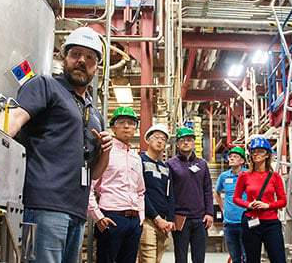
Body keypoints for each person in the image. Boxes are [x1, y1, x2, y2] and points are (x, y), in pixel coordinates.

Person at [4, 27, 113, 262]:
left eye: (90, 57)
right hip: (45, 203)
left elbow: (94, 173)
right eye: (75, 54)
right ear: (64, 58)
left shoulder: (94, 112)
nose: (82, 61)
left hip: (77, 209)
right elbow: (13, 121)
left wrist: (106, 151)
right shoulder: (45, 86)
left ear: (97, 67)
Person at [88, 106, 145, 263]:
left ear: (135, 128)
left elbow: (141, 191)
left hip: (134, 221)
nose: (127, 126)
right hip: (111, 217)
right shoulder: (105, 151)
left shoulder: (136, 158)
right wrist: (98, 217)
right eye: (122, 122)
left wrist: (141, 216)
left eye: (131, 123)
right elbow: (89, 186)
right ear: (113, 127)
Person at [233, 137, 287, 263]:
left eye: (259, 151)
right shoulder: (244, 176)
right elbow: (236, 198)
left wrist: (267, 206)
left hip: (271, 223)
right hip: (251, 223)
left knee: (278, 259)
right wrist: (249, 204)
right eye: (253, 151)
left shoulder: (275, 177)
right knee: (252, 260)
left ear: (267, 154)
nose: (255, 154)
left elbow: (283, 201)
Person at [167, 127, 214, 263]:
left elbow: (207, 189)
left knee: (199, 258)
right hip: (180, 218)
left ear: (194, 143)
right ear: (177, 144)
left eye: (189, 140)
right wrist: (170, 217)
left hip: (200, 219)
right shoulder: (170, 164)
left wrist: (209, 213)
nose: (186, 143)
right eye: (182, 140)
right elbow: (168, 192)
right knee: (181, 258)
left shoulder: (202, 164)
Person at [139, 123, 174, 263]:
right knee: (149, 260)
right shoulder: (139, 161)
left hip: (164, 223)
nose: (160, 141)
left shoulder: (165, 168)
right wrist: (156, 218)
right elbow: (140, 192)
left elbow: (170, 195)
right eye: (156, 137)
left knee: (156, 260)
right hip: (147, 220)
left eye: (164, 139)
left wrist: (169, 220)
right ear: (147, 139)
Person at [214, 146, 248, 263]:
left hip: (245, 222)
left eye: (235, 157)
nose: (232, 159)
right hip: (229, 223)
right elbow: (217, 193)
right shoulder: (224, 176)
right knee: (235, 257)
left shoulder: (248, 175)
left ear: (242, 161)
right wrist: (222, 208)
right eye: (230, 157)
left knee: (247, 255)